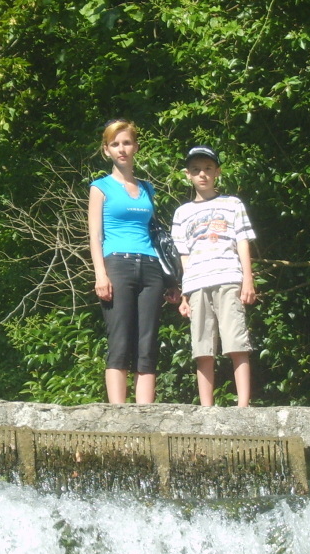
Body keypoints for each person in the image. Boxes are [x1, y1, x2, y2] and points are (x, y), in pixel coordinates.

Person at [172, 146, 257, 407]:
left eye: (208, 169)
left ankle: (243, 405)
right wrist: (184, 294)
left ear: (217, 172)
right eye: (196, 169)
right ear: (188, 174)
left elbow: (242, 241)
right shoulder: (182, 213)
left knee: (236, 343)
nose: (203, 174)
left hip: (229, 277)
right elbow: (183, 255)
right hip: (196, 283)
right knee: (202, 348)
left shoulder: (232, 204)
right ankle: (206, 408)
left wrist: (248, 280)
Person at [88, 119, 166, 404]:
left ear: (135, 147)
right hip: (117, 265)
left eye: (126, 143)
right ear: (106, 150)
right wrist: (100, 274)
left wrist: (170, 278)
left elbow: (154, 233)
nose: (122, 149)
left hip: (151, 266)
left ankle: (145, 414)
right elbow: (95, 235)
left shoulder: (148, 188)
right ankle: (118, 414)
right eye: (115, 144)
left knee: (147, 341)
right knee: (120, 338)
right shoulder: (101, 187)